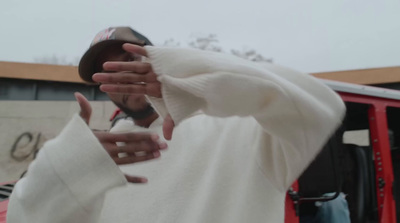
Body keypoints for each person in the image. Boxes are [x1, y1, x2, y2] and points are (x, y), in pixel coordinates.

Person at [7, 27, 346, 223]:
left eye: (130, 60)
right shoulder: (102, 155)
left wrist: (191, 77)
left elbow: (320, 105)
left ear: (159, 60)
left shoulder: (242, 129)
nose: (122, 75)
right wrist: (59, 172)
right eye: (109, 71)